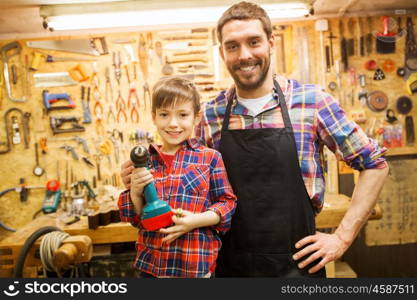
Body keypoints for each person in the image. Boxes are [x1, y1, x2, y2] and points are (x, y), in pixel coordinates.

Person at [121, 1, 389, 277]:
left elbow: (375, 164)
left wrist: (342, 238)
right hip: (228, 269)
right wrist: (139, 180)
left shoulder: (312, 103)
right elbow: (180, 181)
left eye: (254, 42)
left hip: (298, 266)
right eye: (232, 46)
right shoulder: (209, 116)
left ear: (271, 43)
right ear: (222, 52)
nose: (244, 54)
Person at [118, 76, 236, 278]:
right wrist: (136, 195)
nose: (173, 124)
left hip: (194, 268)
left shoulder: (210, 158)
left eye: (182, 115)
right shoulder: (144, 161)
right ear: (154, 117)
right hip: (152, 268)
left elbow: (227, 204)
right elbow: (137, 219)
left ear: (196, 117)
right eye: (164, 114)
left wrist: (195, 221)